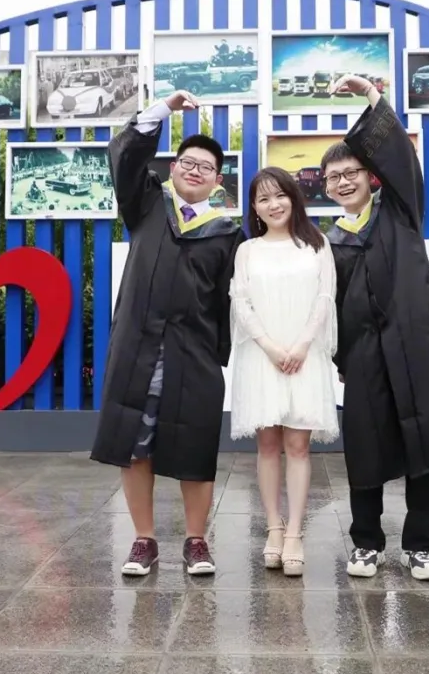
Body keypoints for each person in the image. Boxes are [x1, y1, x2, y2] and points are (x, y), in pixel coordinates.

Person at [321, 74, 429, 581]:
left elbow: (401, 158)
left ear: (371, 177)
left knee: (422, 445)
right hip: (364, 355)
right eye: (333, 177)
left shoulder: (399, 212)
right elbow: (328, 307)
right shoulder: (329, 241)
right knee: (365, 447)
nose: (343, 182)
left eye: (351, 172)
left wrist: (371, 97)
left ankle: (419, 546)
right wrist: (341, 357)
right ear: (325, 187)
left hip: (414, 348)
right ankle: (366, 543)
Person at [91, 89, 246, 577]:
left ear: (217, 181)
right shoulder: (146, 204)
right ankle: (144, 539)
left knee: (195, 446)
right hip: (138, 348)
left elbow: (230, 302)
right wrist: (163, 109)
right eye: (187, 162)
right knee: (134, 444)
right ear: (173, 167)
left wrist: (218, 355)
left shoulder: (228, 233)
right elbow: (124, 157)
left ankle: (196, 541)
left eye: (206, 167)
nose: (195, 170)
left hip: (193, 354)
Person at [229, 166, 339, 577]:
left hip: (304, 356)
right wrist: (272, 348)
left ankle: (294, 533)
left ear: (294, 197)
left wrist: (302, 345)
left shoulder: (316, 245)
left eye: (280, 195)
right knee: (267, 445)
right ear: (254, 208)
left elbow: (325, 299)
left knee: (298, 446)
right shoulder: (247, 250)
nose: (273, 204)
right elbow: (241, 303)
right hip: (263, 357)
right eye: (263, 199)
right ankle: (273, 528)